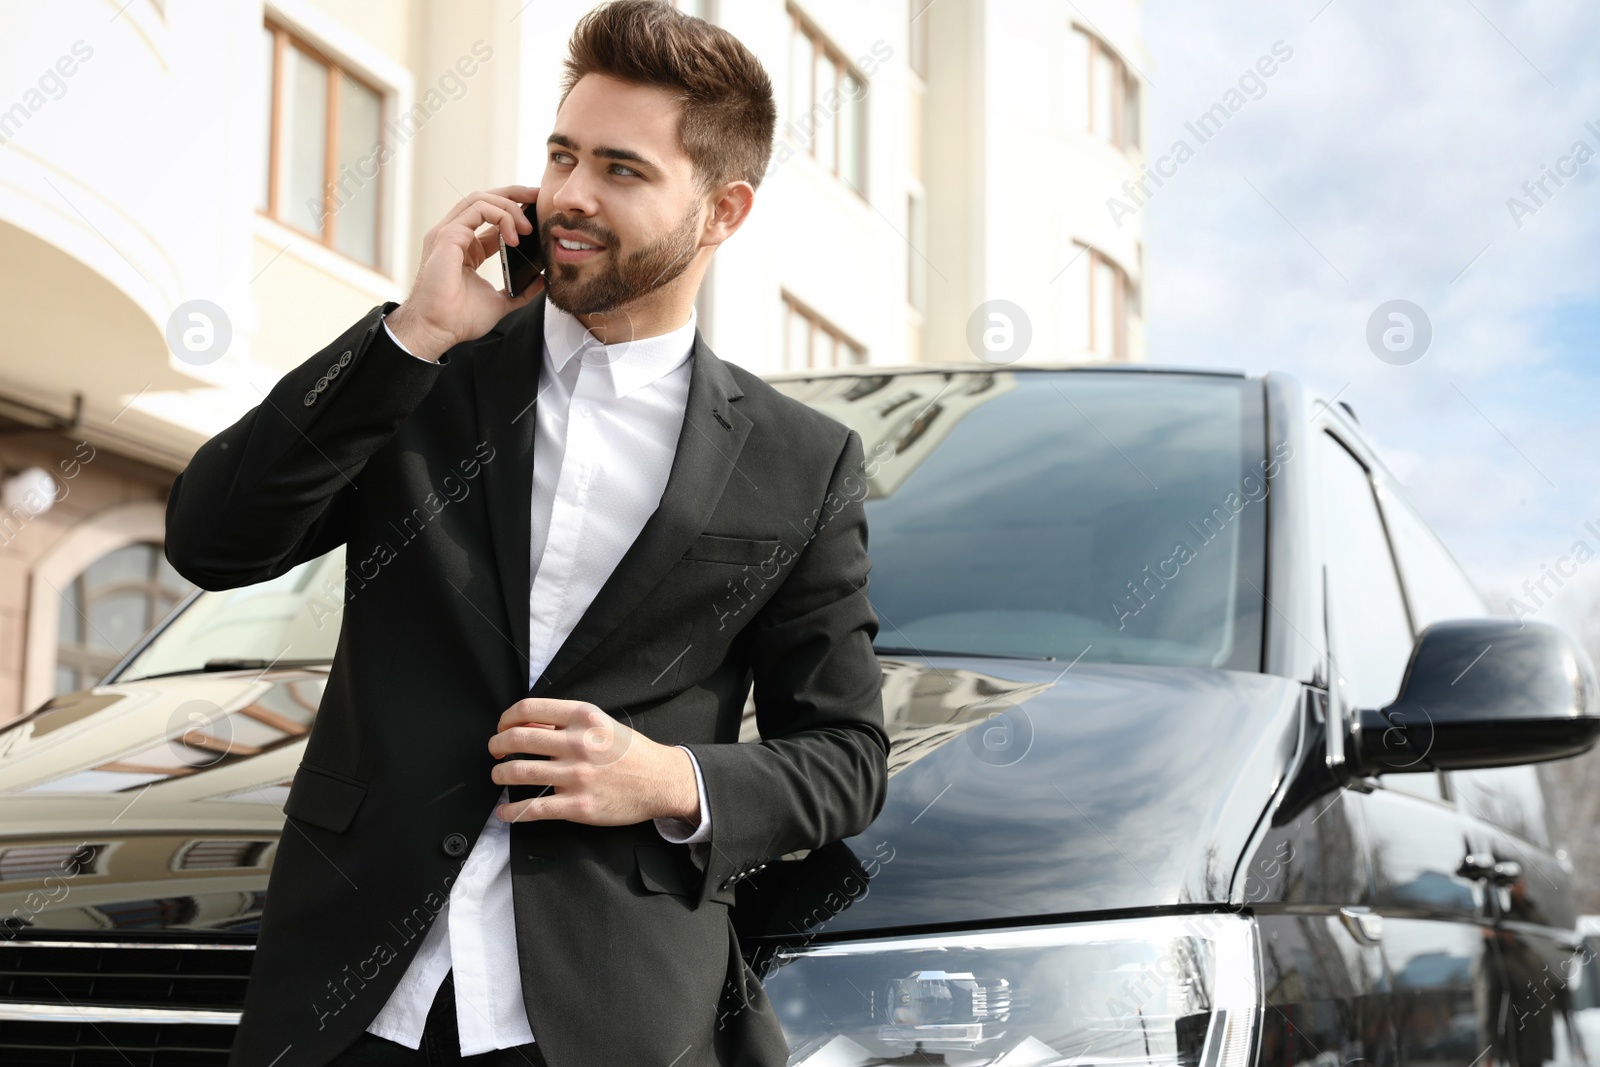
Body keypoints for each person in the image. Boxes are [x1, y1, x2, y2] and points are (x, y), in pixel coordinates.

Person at [163, 3, 890, 1065]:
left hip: (605, 1014)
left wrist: (668, 778)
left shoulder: (801, 461)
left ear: (722, 209)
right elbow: (212, 540)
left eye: (622, 170)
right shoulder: (423, 376)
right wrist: (411, 332)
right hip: (353, 999)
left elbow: (844, 756)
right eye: (561, 155)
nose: (570, 197)